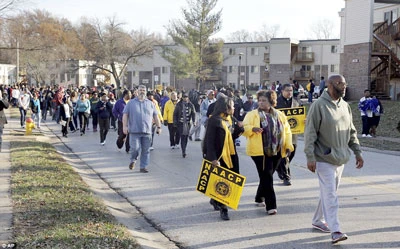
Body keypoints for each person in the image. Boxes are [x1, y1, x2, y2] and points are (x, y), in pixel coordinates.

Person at [304, 74, 364, 244]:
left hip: (340, 158)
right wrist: (310, 156)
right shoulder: (318, 106)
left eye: (344, 83)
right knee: (331, 195)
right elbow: (310, 133)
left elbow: (351, 131)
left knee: (329, 192)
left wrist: (357, 152)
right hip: (323, 158)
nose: (343, 86)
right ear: (329, 85)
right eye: (339, 83)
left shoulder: (345, 106)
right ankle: (336, 230)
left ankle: (317, 220)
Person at [242, 90, 294, 215]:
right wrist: (252, 129)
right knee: (267, 176)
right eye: (259, 100)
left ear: (271, 101)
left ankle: (259, 197)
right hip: (259, 152)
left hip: (276, 150)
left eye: (264, 100)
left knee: (266, 175)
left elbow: (287, 131)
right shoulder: (252, 115)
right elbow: (243, 128)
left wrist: (288, 146)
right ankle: (271, 205)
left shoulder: (280, 115)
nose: (261, 103)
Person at [203, 96, 244, 220]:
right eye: (232, 106)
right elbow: (208, 141)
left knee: (232, 179)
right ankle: (223, 208)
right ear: (226, 107)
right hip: (219, 156)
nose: (234, 108)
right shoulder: (214, 120)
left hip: (231, 154)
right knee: (222, 181)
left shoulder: (230, 119)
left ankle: (215, 199)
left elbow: (233, 135)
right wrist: (213, 159)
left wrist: (240, 129)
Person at [123, 85, 162, 173]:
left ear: (146, 92)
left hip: (147, 131)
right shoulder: (131, 103)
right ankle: (133, 160)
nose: (142, 92)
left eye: (144, 90)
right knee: (135, 149)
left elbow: (156, 115)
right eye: (140, 90)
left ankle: (143, 167)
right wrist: (124, 126)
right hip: (134, 131)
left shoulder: (151, 103)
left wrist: (159, 127)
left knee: (146, 150)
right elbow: (125, 115)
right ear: (137, 92)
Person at [275, 83, 301, 186]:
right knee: (284, 154)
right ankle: (287, 177)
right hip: (280, 133)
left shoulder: (296, 101)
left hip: (293, 133)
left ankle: (278, 167)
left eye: (291, 90)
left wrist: (304, 120)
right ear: (282, 91)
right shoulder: (276, 102)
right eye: (287, 90)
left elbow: (301, 114)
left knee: (292, 153)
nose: (289, 92)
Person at [173, 92, 196, 158]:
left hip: (188, 123)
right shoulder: (179, 105)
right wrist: (175, 122)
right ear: (182, 98)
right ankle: (184, 151)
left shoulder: (190, 105)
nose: (185, 98)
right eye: (184, 97)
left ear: (188, 97)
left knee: (186, 137)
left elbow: (193, 113)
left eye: (186, 97)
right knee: (183, 136)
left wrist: (194, 121)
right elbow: (175, 114)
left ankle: (184, 148)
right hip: (180, 123)